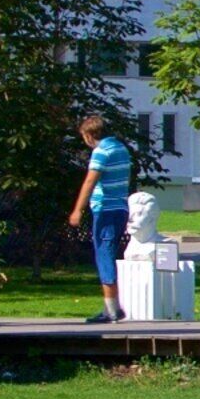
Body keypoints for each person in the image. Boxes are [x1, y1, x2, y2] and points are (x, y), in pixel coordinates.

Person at [65, 114, 136, 323]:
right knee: (108, 252)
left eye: (84, 136)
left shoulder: (101, 152)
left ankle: (112, 309)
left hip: (105, 209)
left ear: (90, 135)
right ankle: (111, 307)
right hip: (121, 208)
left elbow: (89, 182)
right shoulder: (122, 149)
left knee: (104, 254)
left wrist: (78, 210)